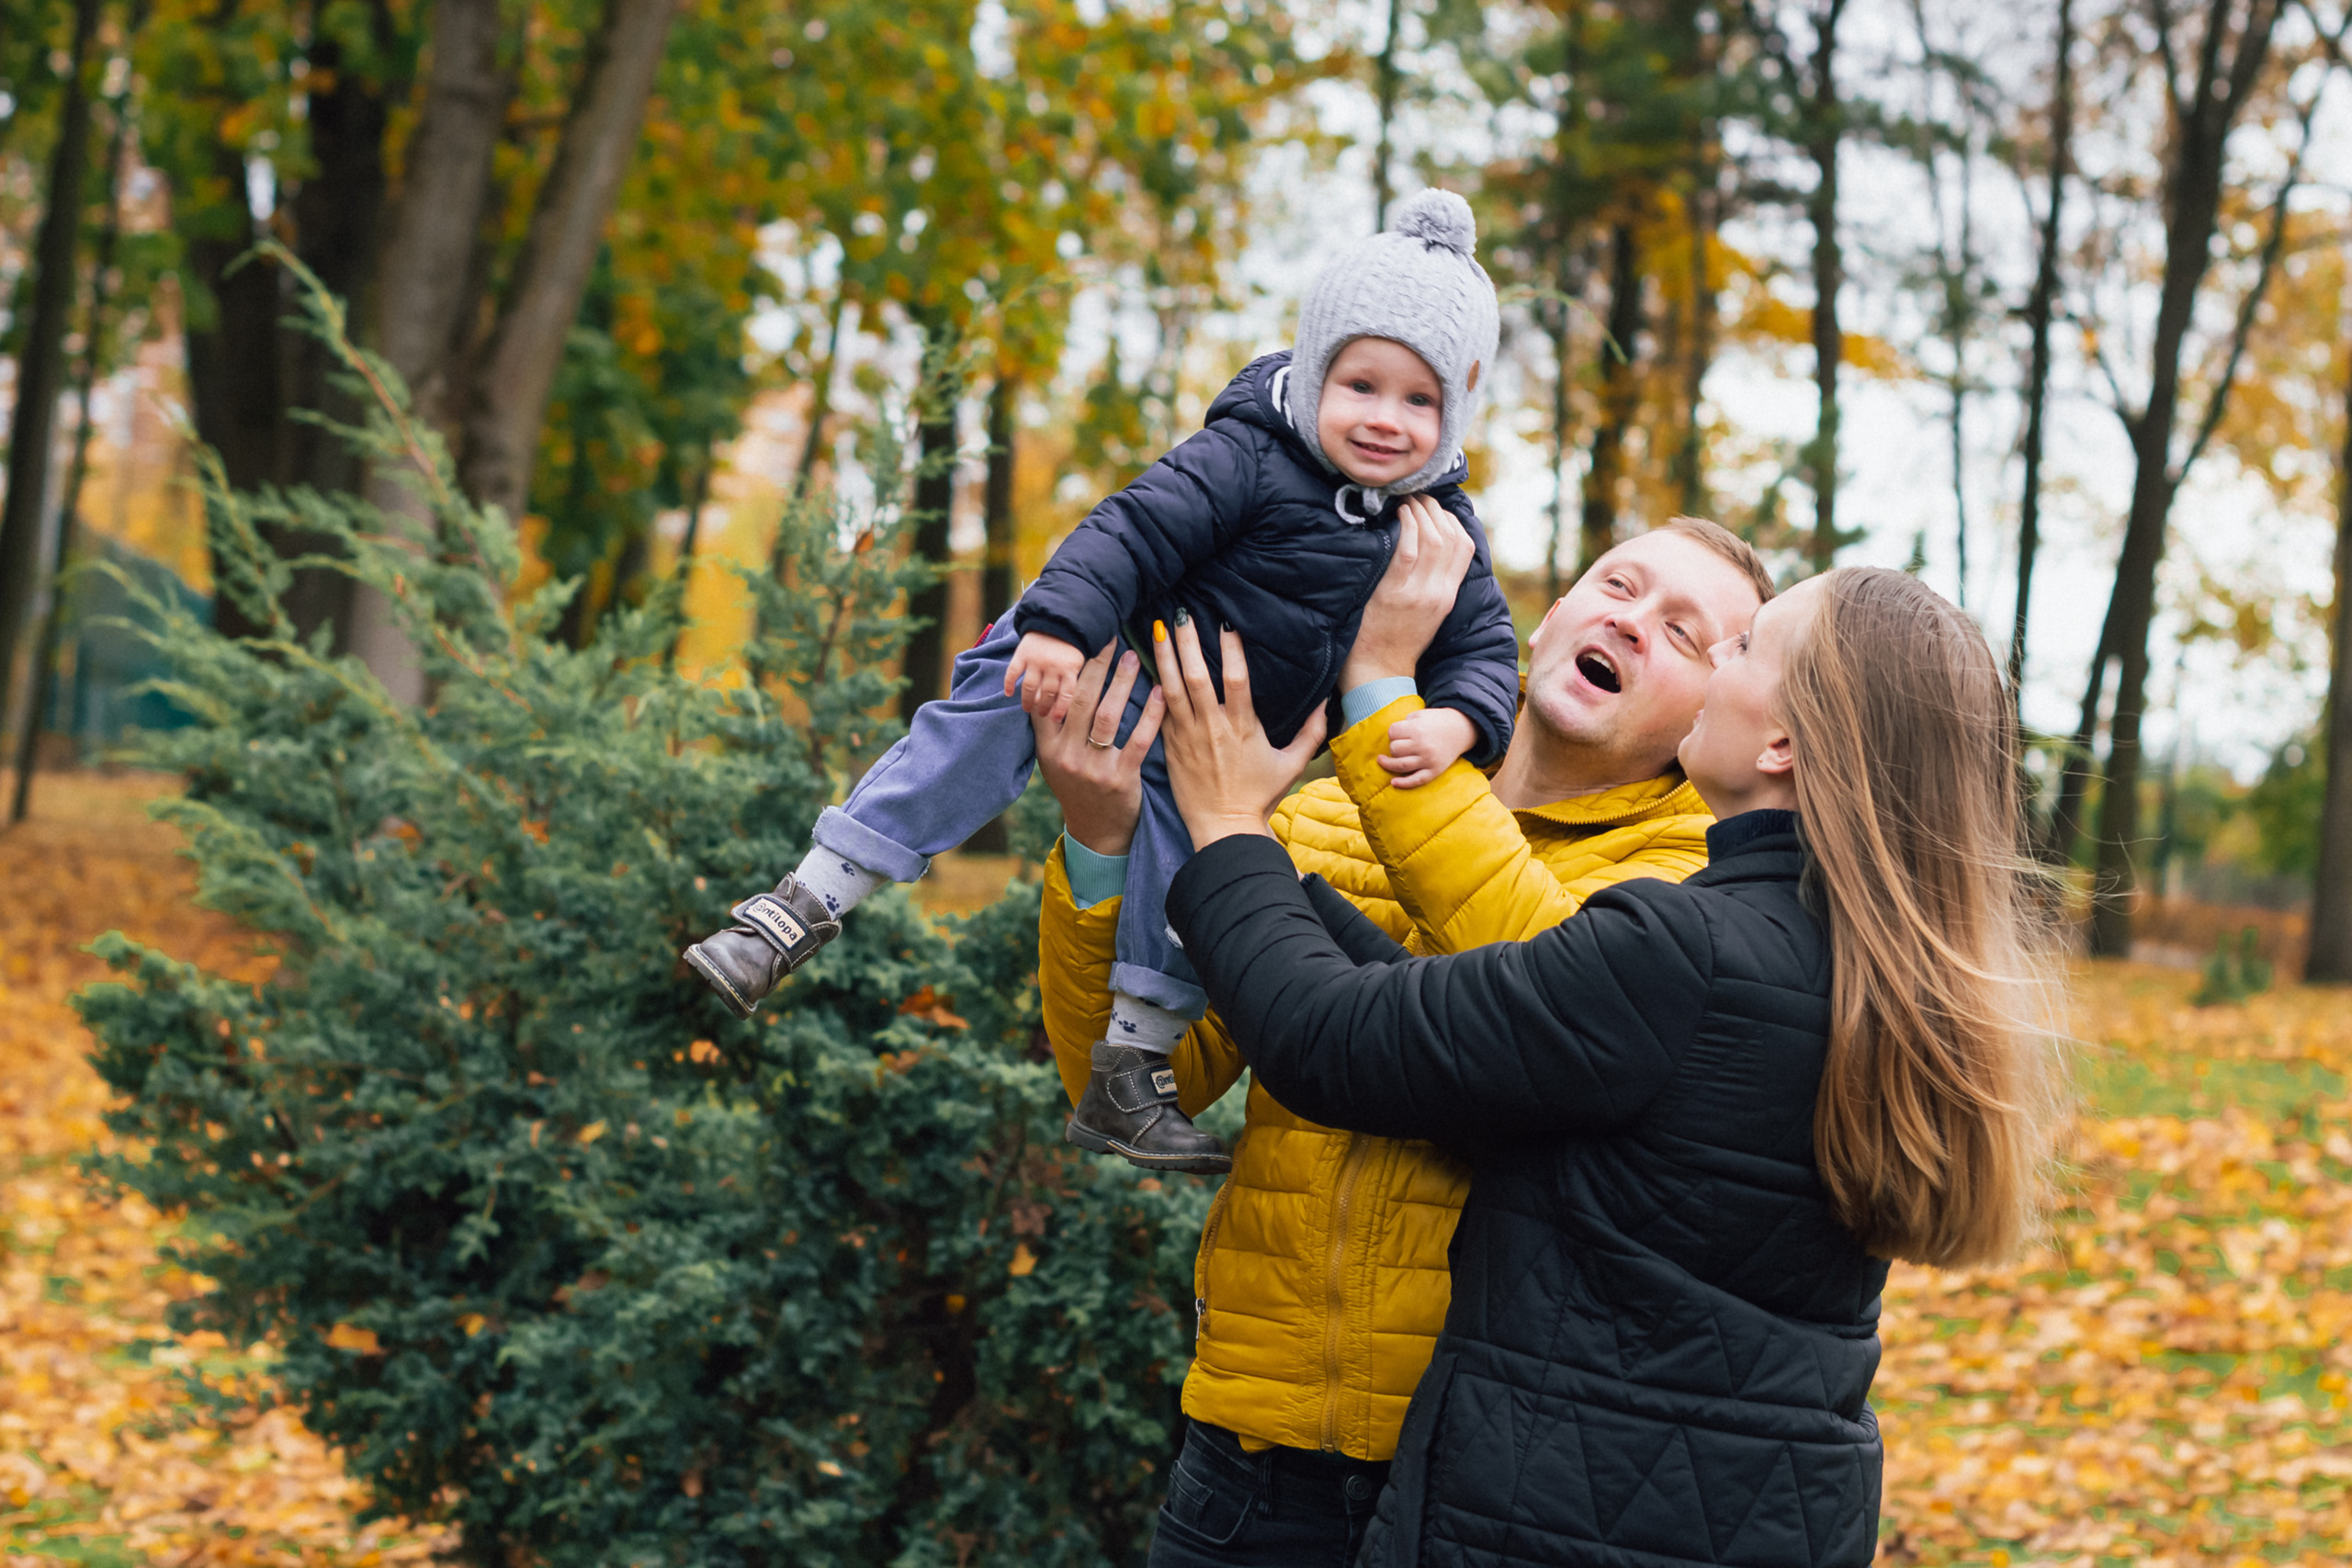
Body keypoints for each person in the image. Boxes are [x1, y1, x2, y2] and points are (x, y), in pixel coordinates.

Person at [1148, 567, 2067, 1568]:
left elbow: (1332, 1042)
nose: (1721, 657)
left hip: (1560, 1520)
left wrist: (1227, 828)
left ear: (1783, 746)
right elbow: (1486, 1048)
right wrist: (1292, 885)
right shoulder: (1852, 967)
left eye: (1746, 646)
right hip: (1746, 1518)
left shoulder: (1682, 951)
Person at [683, 189, 1521, 1173]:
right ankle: (803, 901)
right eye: (1361, 386)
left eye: (1419, 401)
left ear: (1457, 405)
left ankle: (1131, 1075)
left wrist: (1464, 722)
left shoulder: (1442, 532)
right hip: (1104, 651)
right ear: (1313, 365)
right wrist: (1057, 627)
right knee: (987, 717)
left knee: (1192, 882)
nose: (1386, 420)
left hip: (1213, 749)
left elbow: (1485, 647)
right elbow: (1130, 529)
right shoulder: (1247, 454)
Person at [1029, 510, 1774, 1565]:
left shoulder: (1685, 885)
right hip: (1245, 1456)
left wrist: (1377, 691)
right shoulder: (1320, 820)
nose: (1635, 623)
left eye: (1688, 634)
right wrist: (1101, 846)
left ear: (1713, 708)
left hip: (1480, 1477)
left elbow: (1539, 996)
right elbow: (1153, 1077)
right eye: (1617, 587)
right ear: (1549, 613)